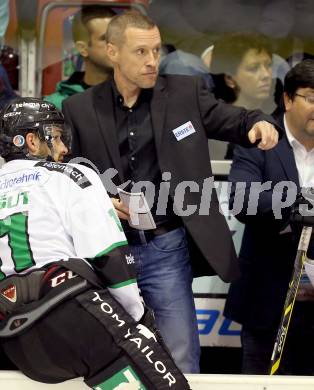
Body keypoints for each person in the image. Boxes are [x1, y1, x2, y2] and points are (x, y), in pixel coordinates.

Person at [62, 10, 281, 373]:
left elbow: (235, 120)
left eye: (156, 50)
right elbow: (66, 177)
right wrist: (96, 201)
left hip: (166, 246)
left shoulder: (185, 93)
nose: (152, 61)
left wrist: (258, 122)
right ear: (113, 52)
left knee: (180, 355)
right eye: (141, 52)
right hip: (106, 250)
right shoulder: (79, 108)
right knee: (106, 357)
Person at [0, 97, 190, 390]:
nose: (64, 148)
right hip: (72, 317)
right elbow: (108, 256)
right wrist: (138, 325)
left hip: (16, 341)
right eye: (56, 136)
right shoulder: (71, 174)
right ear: (30, 141)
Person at [224, 59, 314, 375]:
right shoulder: (260, 141)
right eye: (311, 98)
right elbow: (242, 199)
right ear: (288, 99)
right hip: (266, 298)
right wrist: (299, 205)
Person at [45, 5, 115, 109]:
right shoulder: (57, 106)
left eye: (118, 36)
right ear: (83, 49)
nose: (116, 44)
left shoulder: (137, 97)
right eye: (105, 38)